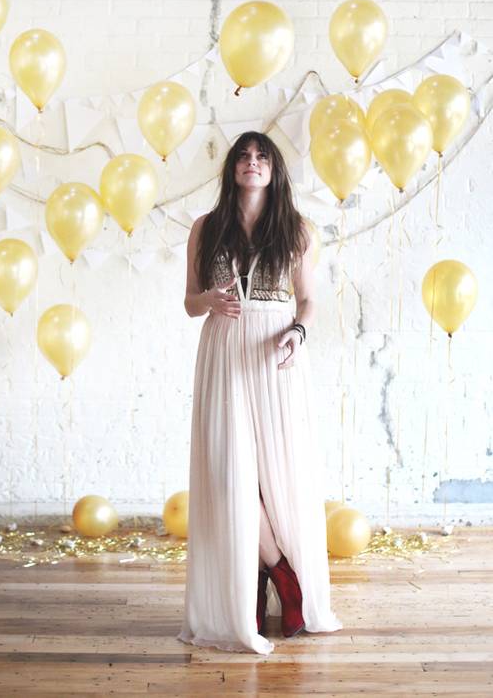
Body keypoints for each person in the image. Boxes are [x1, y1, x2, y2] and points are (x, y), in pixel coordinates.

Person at [176, 131, 343, 655]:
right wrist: (208, 298)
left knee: (276, 477)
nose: (252, 163)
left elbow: (309, 300)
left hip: (276, 353)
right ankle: (281, 572)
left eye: (262, 156)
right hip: (223, 350)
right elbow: (188, 302)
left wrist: (298, 332)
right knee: (231, 476)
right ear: (231, 168)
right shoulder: (205, 228)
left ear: (274, 170)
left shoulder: (295, 229)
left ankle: (259, 587)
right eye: (244, 156)